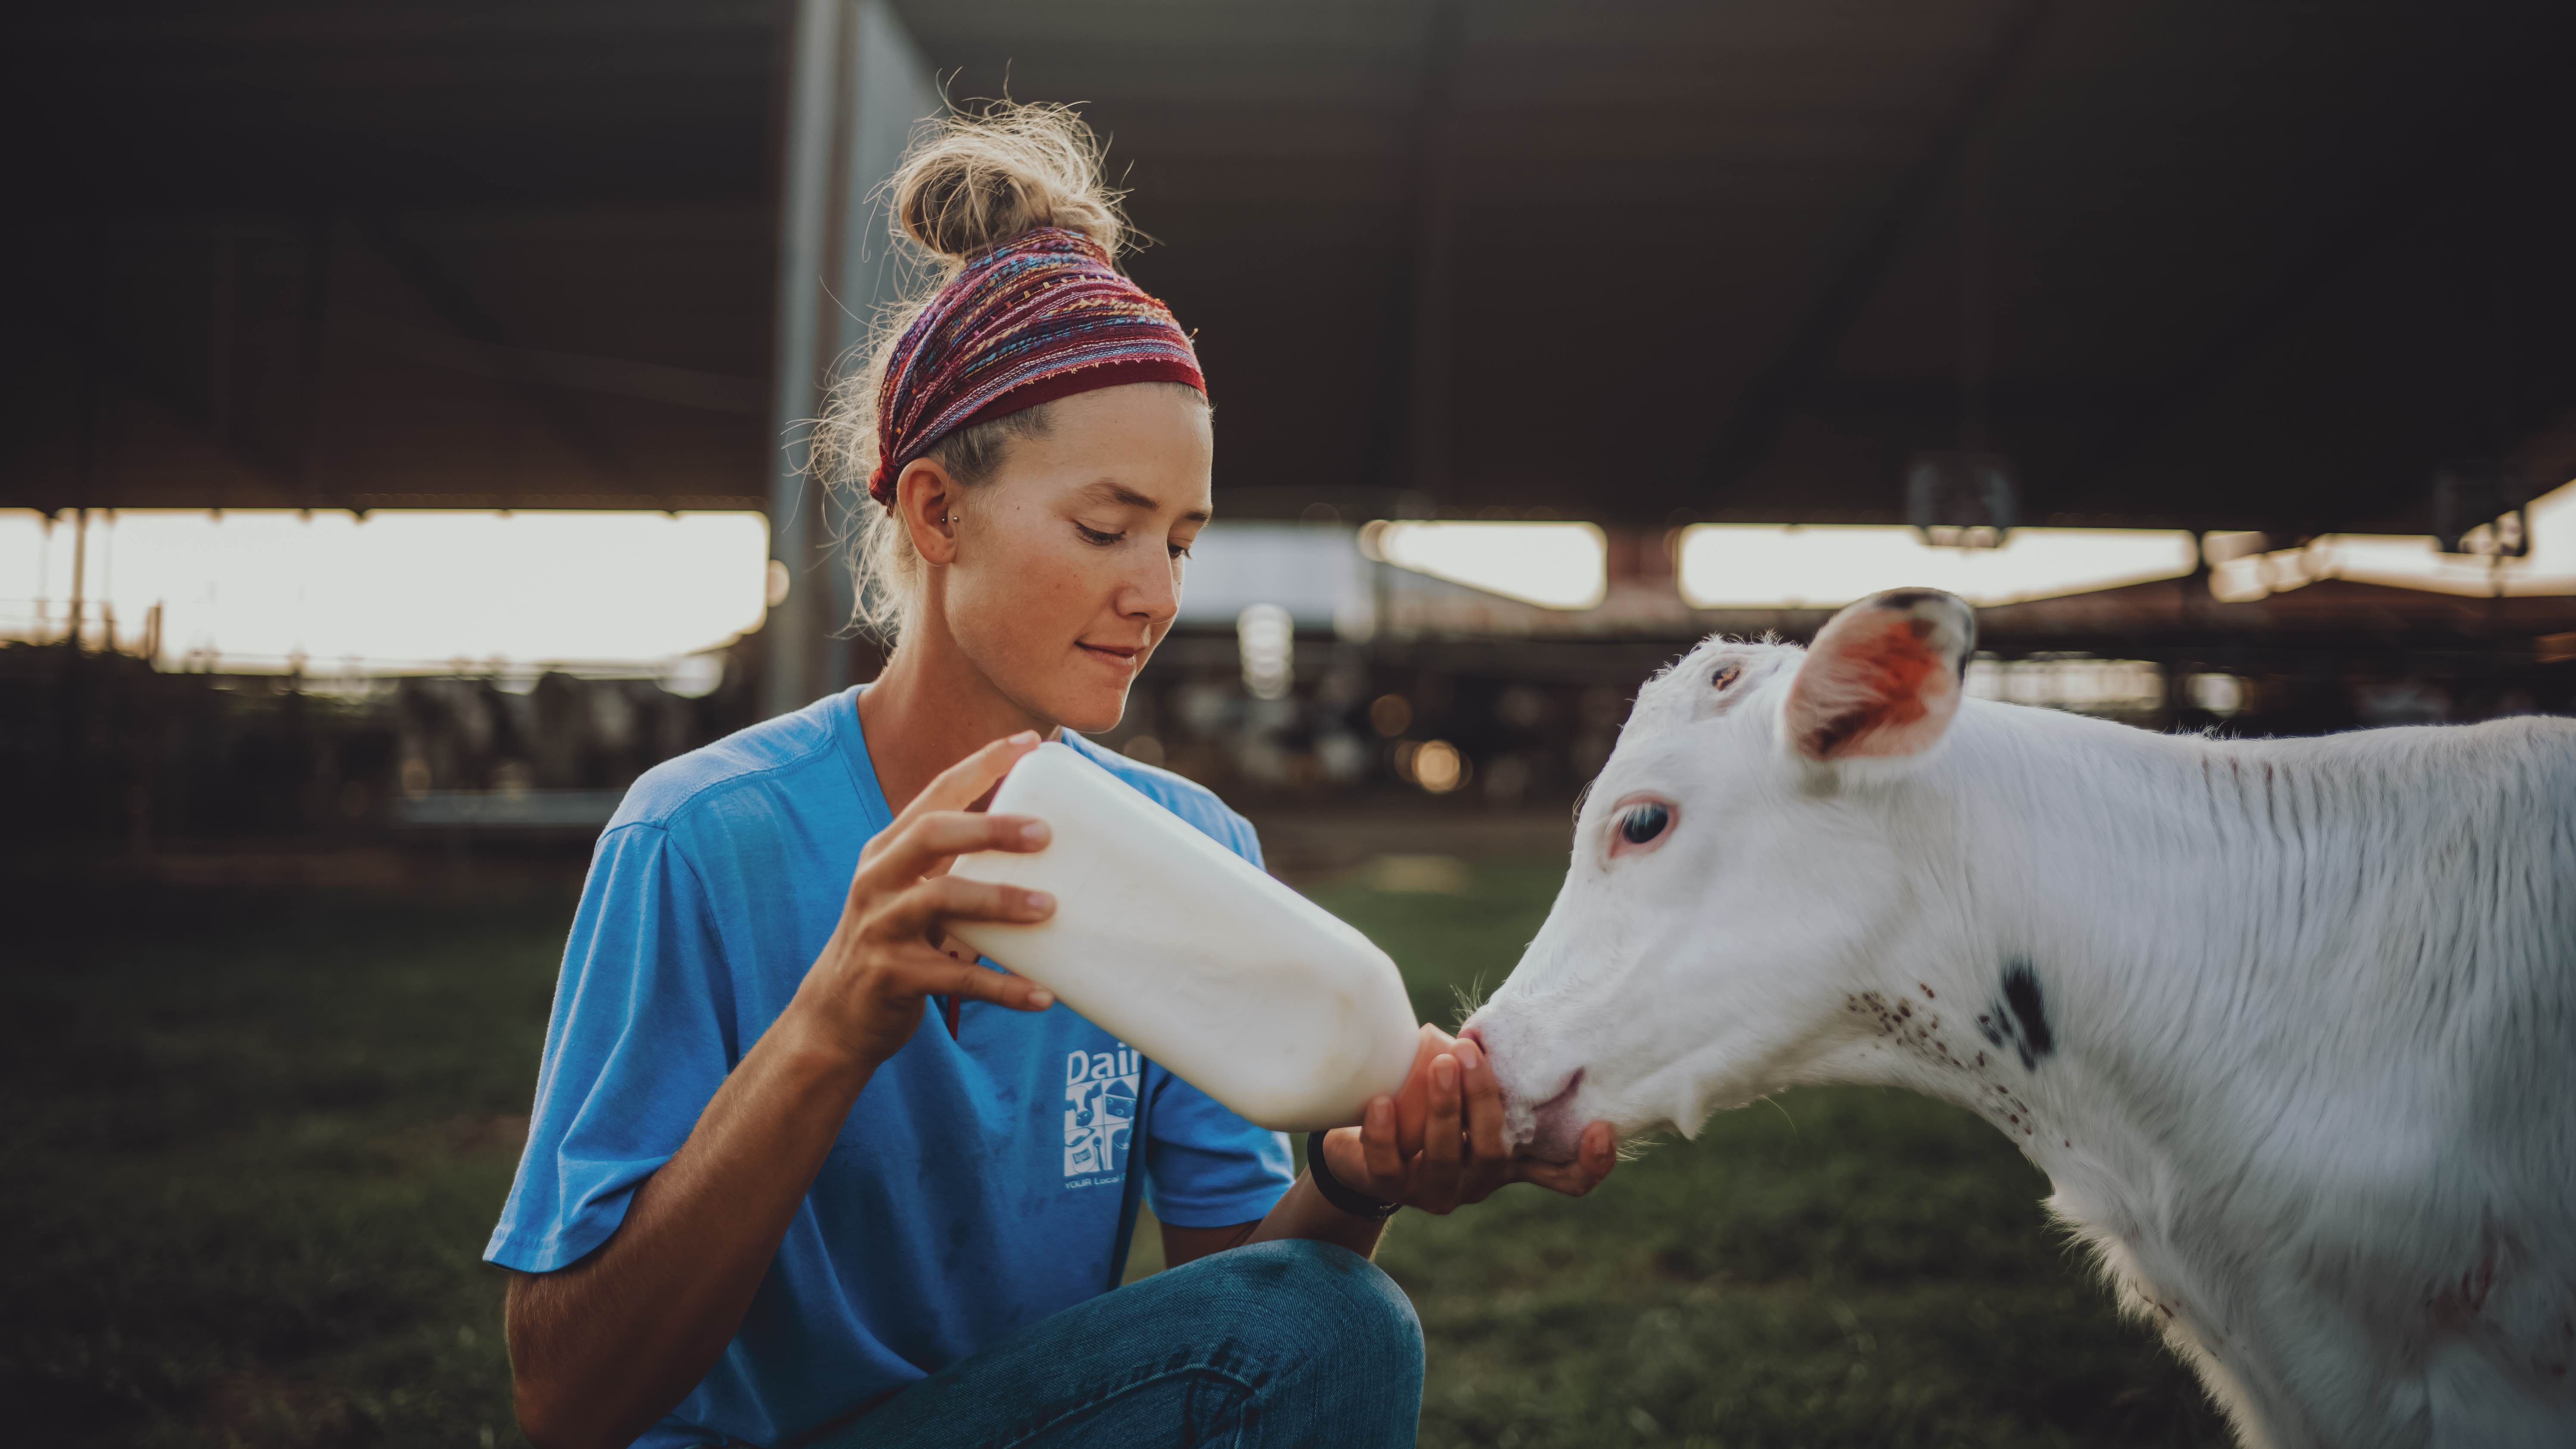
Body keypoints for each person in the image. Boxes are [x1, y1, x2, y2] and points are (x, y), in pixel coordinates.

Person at [486, 102, 1620, 1449]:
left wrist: (1353, 1176)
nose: (1154, 593)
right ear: (935, 510)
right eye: (1106, 527)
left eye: (1185, 542)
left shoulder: (1190, 846)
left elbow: (1239, 1320)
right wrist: (828, 1031)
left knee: (1339, 1316)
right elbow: (562, 1401)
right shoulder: (701, 838)